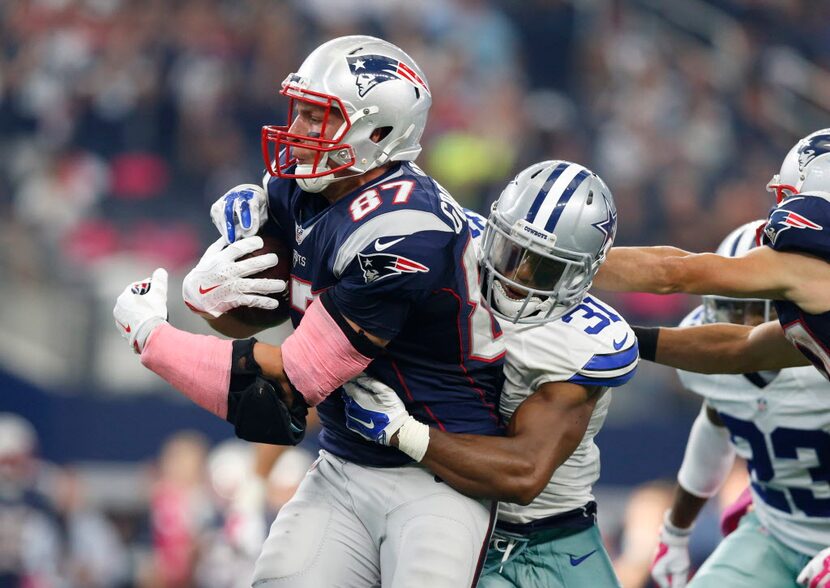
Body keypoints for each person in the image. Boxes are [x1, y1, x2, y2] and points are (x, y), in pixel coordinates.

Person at [113, 35, 506, 587]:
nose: (295, 131)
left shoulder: (403, 231)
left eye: (317, 117)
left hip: (438, 475)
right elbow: (264, 313)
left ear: (378, 133)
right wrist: (215, 296)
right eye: (298, 110)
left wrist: (153, 338)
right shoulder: (301, 186)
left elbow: (291, 388)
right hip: (344, 461)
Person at [341, 160, 638, 588]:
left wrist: (402, 431)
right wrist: (271, 208)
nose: (517, 277)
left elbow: (523, 474)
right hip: (447, 515)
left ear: (582, 275)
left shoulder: (582, 342)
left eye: (544, 267)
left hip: (557, 534)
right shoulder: (448, 246)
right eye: (511, 252)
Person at [591, 128, 830, 586]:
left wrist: (560, 262)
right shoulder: (809, 322)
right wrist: (623, 336)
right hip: (778, 528)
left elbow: (675, 272)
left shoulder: (809, 272)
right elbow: (737, 349)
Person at [647, 221, 830, 588]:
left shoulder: (820, 362)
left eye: (754, 310)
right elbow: (717, 420)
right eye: (731, 309)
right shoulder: (707, 362)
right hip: (773, 532)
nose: (740, 327)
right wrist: (675, 531)